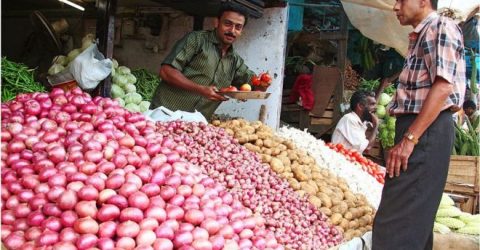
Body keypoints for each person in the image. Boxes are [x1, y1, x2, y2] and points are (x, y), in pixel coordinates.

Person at [372, 0, 466, 249]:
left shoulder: (440, 26)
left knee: (394, 224)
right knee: (413, 220)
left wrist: (410, 139)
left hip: (425, 130)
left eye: (402, 0)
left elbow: (444, 86)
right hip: (423, 129)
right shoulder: (423, 34)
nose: (395, 7)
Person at [150, 3, 259, 120]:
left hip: (195, 125)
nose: (232, 30)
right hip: (165, 114)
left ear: (241, 31)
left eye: (238, 27)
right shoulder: (197, 40)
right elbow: (166, 72)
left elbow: (255, 85)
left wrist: (263, 83)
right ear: (216, 22)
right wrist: (200, 89)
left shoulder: (235, 60)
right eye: (228, 24)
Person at [331, 90, 378, 154]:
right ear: (360, 106)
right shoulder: (349, 119)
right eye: (372, 104)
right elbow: (367, 148)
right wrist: (376, 126)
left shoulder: (360, 122)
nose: (376, 108)